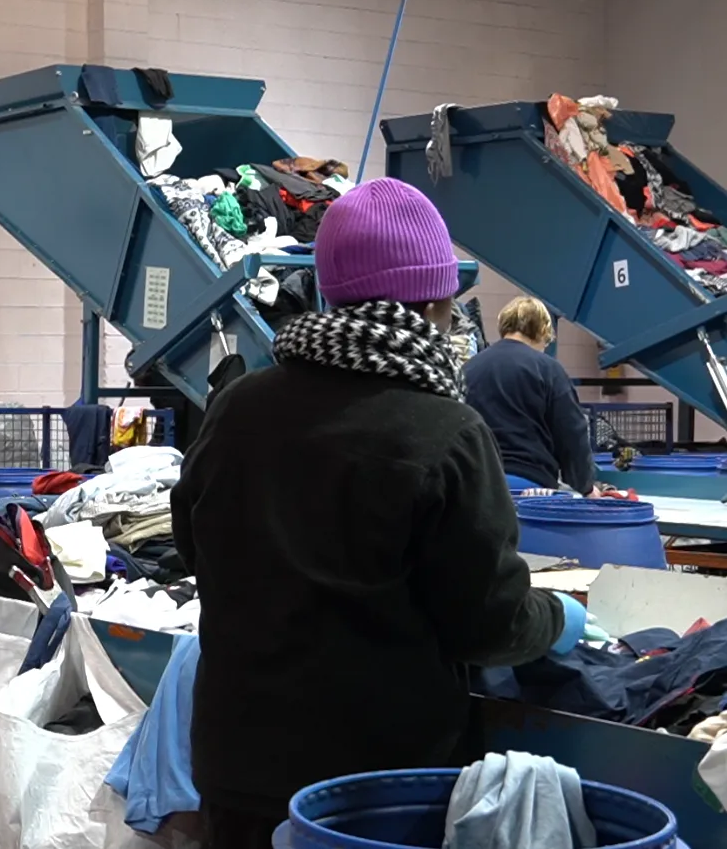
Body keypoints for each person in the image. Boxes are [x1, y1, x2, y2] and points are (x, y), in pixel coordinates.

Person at [172, 179, 587, 848]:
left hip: (238, 760)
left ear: (328, 291)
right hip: (372, 787)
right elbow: (485, 622)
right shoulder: (444, 430)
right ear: (434, 299)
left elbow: (193, 545)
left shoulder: (239, 407)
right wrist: (555, 619)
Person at [464, 296, 597, 495]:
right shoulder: (548, 369)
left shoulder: (469, 368)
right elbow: (571, 432)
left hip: (477, 485)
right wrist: (585, 487)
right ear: (542, 331)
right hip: (529, 485)